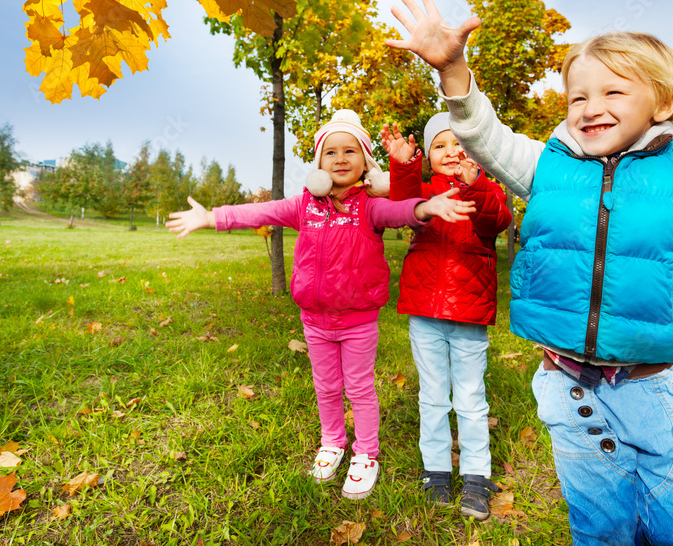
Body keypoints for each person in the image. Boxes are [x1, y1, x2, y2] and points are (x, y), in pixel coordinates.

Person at [385, 0, 673, 544]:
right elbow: (483, 135)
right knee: (598, 530)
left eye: (613, 91)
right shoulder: (546, 167)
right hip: (568, 389)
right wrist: (455, 69)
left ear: (661, 103)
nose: (590, 107)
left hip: (651, 390)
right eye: (577, 97)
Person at [166, 109, 477, 501]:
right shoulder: (304, 207)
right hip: (314, 321)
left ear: (365, 161)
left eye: (351, 151)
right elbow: (260, 212)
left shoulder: (369, 207)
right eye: (331, 152)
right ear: (319, 164)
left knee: (360, 388)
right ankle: (332, 442)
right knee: (326, 386)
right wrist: (213, 216)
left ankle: (366, 454)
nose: (341, 158)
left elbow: (399, 210)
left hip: (358, 320)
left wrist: (424, 208)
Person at [379, 114, 511, 520]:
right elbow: (401, 203)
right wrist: (402, 164)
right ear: (429, 157)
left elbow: (497, 220)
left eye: (461, 143)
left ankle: (475, 474)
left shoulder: (490, 190)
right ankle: (436, 469)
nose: (452, 151)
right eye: (440, 145)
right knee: (433, 396)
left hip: (469, 312)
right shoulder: (423, 189)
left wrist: (475, 185)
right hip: (425, 312)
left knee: (471, 399)